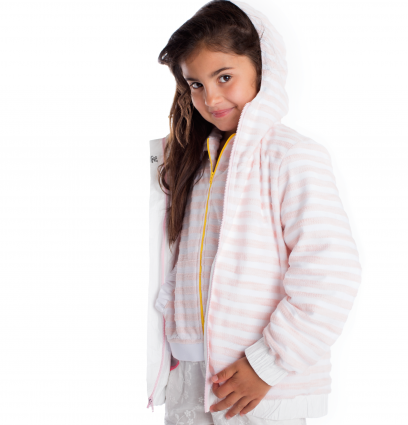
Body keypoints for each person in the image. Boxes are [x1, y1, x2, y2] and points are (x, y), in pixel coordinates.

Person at [145, 1, 362, 424]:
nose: (210, 98)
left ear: (262, 70)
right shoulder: (193, 163)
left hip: (259, 386)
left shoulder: (290, 156)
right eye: (195, 84)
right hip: (189, 379)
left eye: (224, 77)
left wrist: (267, 364)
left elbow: (331, 272)